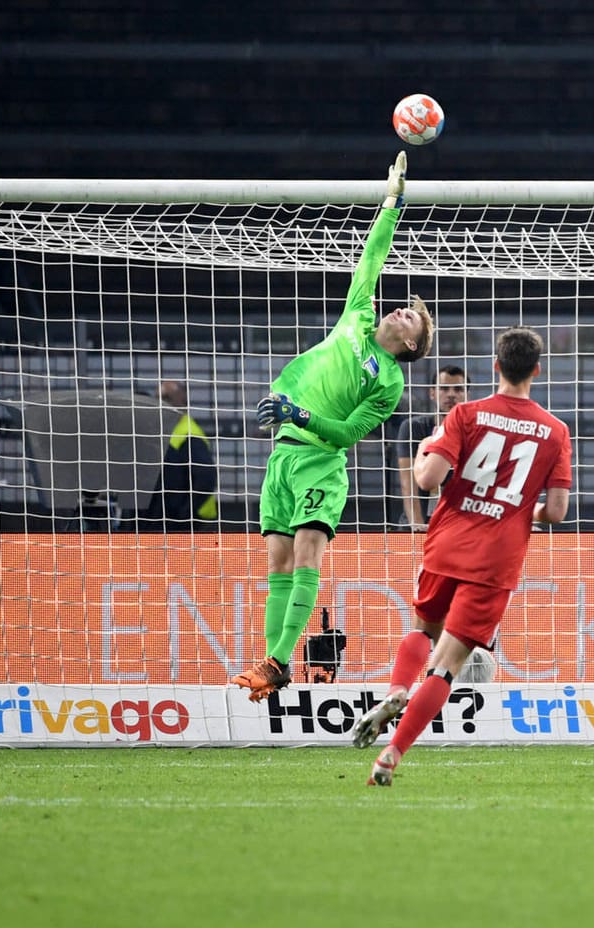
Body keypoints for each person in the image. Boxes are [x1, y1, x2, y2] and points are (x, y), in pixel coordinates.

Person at [231, 152, 434, 702]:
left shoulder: (388, 380)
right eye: (401, 308)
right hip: (283, 455)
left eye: (410, 318)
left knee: (304, 557)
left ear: (413, 343)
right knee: (275, 560)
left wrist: (299, 413)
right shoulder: (357, 318)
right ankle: (273, 664)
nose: (399, 313)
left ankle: (276, 659)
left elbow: (346, 435)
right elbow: (373, 256)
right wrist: (391, 198)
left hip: (321, 460)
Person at [352, 328, 571, 779]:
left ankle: (396, 688)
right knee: (449, 664)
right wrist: (515, 511)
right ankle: (391, 754)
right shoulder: (555, 431)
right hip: (497, 558)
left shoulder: (465, 414)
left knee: (422, 630)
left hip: (448, 542)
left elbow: (428, 480)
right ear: (536, 370)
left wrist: (421, 452)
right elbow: (558, 512)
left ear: (496, 367)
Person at [135, 380, 218, 530]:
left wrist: (184, 514)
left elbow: (206, 477)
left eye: (166, 398)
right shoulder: (168, 430)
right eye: (157, 398)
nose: (161, 404)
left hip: (190, 525)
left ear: (183, 402)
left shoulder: (189, 434)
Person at [395, 365, 469, 530]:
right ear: (432, 393)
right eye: (443, 388)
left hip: (456, 524)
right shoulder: (413, 428)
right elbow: (408, 485)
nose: (451, 394)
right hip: (417, 523)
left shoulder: (473, 432)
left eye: (458, 389)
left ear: (467, 395)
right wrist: (418, 527)